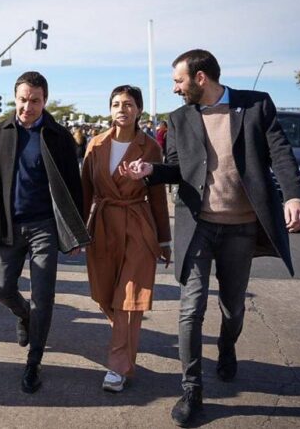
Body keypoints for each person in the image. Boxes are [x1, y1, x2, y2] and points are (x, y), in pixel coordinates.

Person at [119, 49, 300, 427]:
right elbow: (176, 169)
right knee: (191, 308)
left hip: (241, 226)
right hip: (199, 224)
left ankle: (226, 346)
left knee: (233, 307)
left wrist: (295, 195)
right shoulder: (179, 118)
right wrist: (149, 171)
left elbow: (280, 154)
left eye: (178, 80)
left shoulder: (255, 106)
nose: (175, 88)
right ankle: (192, 390)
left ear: (200, 78)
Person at [0, 71, 89, 394]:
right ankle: (23, 316)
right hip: (7, 225)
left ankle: (34, 361)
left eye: (34, 101)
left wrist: (76, 233)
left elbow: (73, 188)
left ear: (44, 101)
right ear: (16, 98)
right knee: (0, 288)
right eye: (22, 100)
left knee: (44, 297)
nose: (27, 107)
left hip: (44, 229)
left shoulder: (59, 136)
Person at [80, 85, 171, 393]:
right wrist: (77, 232)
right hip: (102, 227)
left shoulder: (150, 147)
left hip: (138, 226)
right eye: (116, 104)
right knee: (106, 297)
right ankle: (126, 341)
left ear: (138, 110)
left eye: (129, 104)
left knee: (129, 299)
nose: (122, 109)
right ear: (110, 110)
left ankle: (117, 368)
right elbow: (85, 192)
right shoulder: (95, 145)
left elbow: (158, 196)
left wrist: (164, 240)